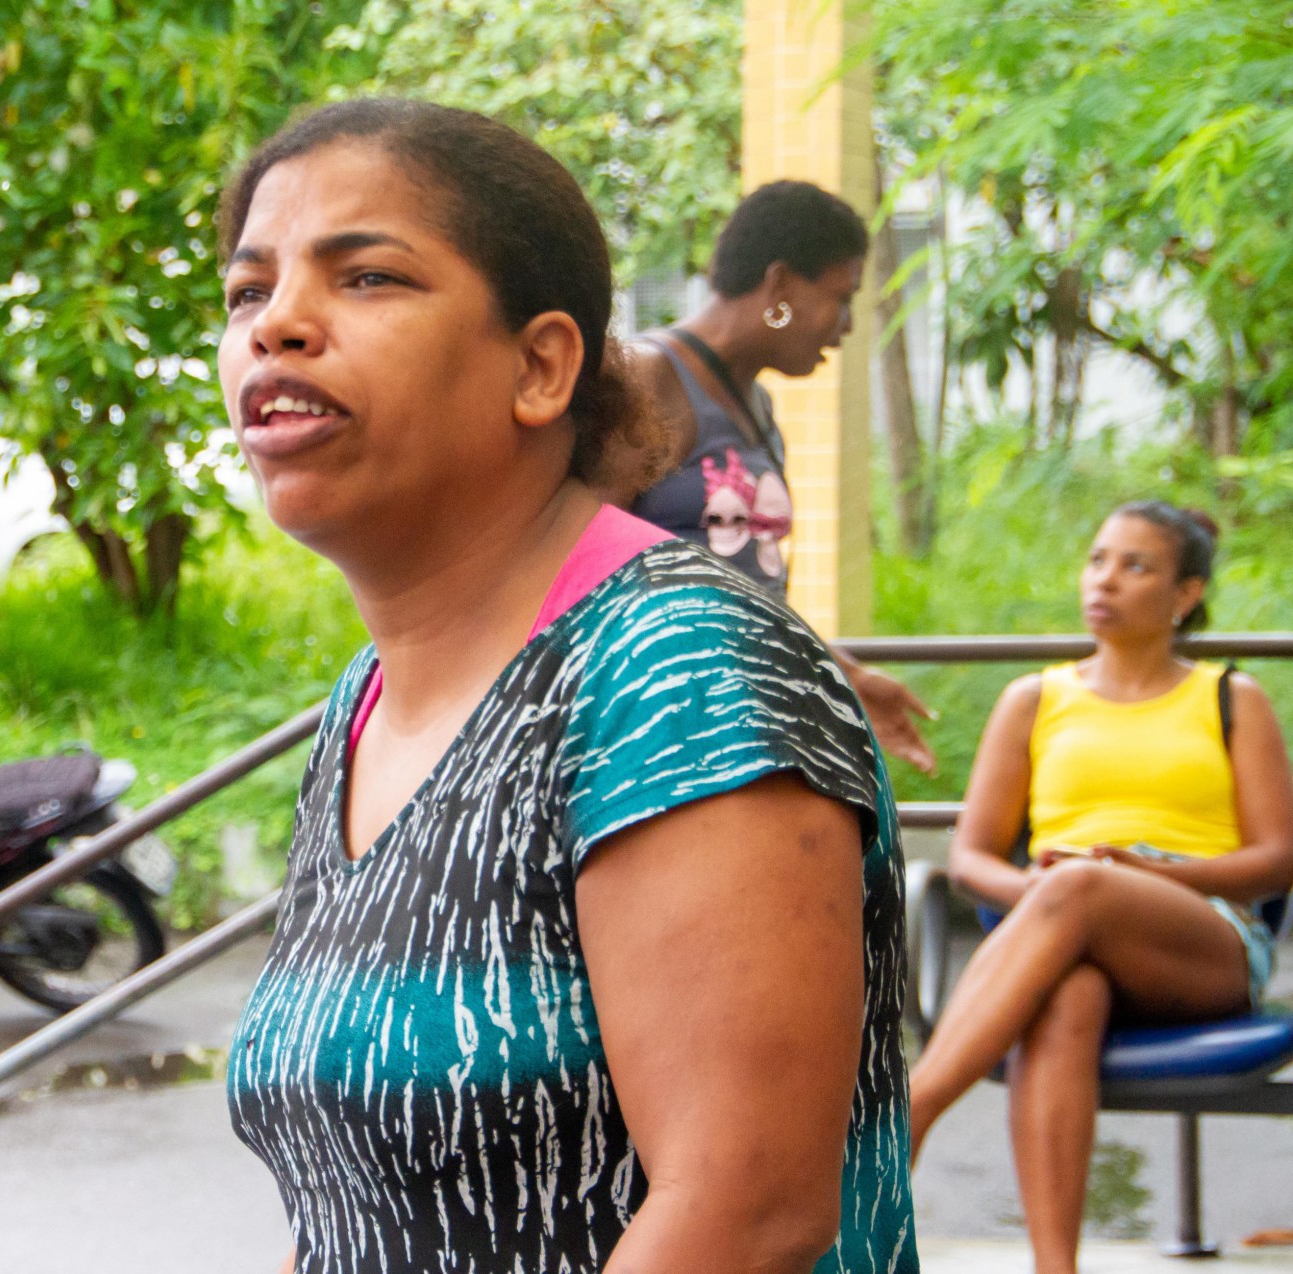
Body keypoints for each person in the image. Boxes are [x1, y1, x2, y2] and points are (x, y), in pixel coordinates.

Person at [217, 98, 916, 1274]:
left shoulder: (675, 667)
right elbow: (350, 1209)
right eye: (247, 292)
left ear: (541, 365)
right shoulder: (364, 705)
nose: (278, 323)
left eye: (369, 277)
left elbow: (743, 1214)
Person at [908, 502, 1293, 1274]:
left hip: (1203, 938)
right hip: (1061, 912)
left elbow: (1279, 858)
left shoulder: (1230, 697)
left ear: (1185, 595)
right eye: (1097, 560)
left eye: (1135, 566)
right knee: (1067, 995)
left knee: (1080, 886)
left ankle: (907, 1113)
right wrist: (1050, 897)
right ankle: (1057, 1269)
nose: (1105, 580)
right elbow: (974, 857)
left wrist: (1150, 877)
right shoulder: (1034, 699)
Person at [598, 182, 937, 774]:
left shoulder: (756, 408)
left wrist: (847, 676)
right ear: (779, 285)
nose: (848, 324)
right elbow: (578, 561)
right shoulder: (651, 379)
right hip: (659, 725)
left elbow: (749, 589)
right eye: (841, 297)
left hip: (744, 719)